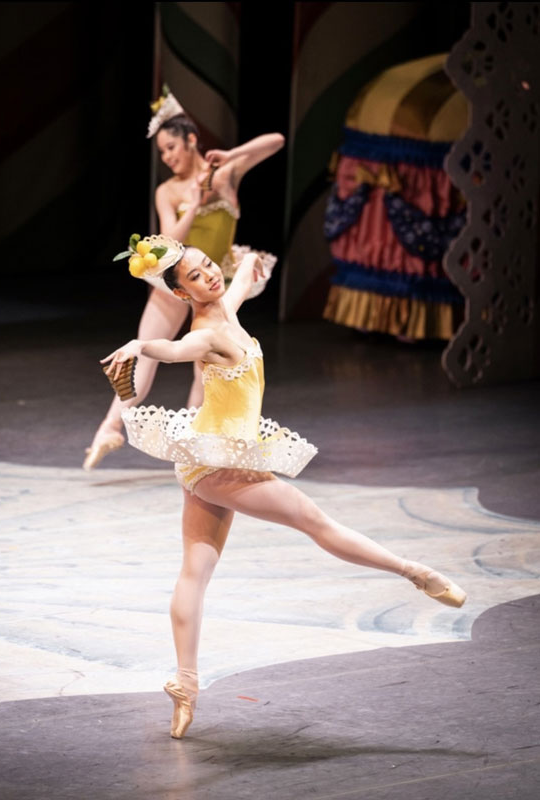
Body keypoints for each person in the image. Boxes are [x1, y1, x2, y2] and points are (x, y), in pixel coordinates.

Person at [102, 234, 467, 739]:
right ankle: (415, 573)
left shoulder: (224, 306)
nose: (209, 274)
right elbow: (174, 348)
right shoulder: (204, 333)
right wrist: (141, 345)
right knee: (314, 521)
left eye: (208, 265)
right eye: (195, 276)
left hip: (207, 452)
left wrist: (248, 267)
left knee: (195, 569)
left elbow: (238, 284)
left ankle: (185, 686)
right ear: (182, 294)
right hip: (220, 464)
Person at [83, 89, 284, 470]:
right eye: (162, 152)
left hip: (213, 286)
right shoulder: (168, 190)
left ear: (192, 140)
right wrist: (193, 201)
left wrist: (232, 155)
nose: (168, 157)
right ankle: (109, 427)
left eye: (172, 146)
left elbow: (276, 141)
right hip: (176, 286)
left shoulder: (226, 175)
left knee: (205, 368)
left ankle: (192, 447)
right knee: (146, 359)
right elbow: (171, 239)